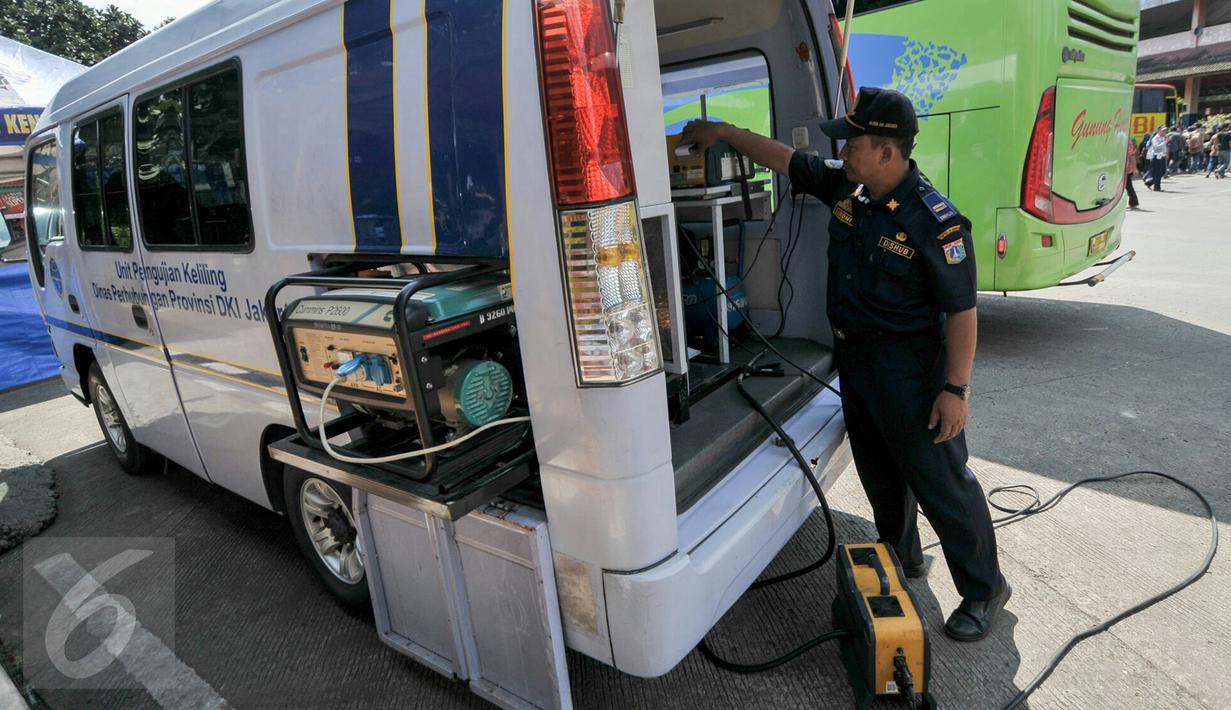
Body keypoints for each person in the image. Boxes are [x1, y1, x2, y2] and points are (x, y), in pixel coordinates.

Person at [682, 87, 1010, 642]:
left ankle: (984, 589)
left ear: (886, 152)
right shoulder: (847, 188)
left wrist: (956, 389)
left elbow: (961, 311)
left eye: (853, 144)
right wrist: (723, 134)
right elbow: (784, 159)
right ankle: (904, 557)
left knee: (942, 484)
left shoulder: (937, 221)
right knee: (880, 472)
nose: (844, 153)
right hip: (856, 363)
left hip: (911, 370)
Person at [1144, 125, 1168, 191]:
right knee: (1158, 172)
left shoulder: (1163, 138)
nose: (1164, 132)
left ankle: (1150, 182)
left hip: (1162, 156)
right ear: (1158, 131)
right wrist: (1165, 142)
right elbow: (1156, 147)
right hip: (1156, 156)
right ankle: (1157, 187)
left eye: (1165, 131)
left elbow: (1164, 147)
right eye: (1163, 131)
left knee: (1163, 172)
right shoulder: (1155, 138)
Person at [1125, 136, 1140, 209]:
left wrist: (1135, 168)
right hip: (1123, 168)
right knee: (1128, 185)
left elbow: (1132, 156)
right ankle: (1133, 202)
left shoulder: (1127, 141)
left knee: (1128, 185)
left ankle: (1133, 202)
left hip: (1126, 168)